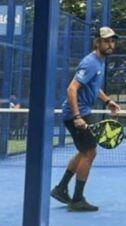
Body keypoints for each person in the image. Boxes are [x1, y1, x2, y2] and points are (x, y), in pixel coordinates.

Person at [51, 26, 121, 212]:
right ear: (97, 42)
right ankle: (77, 199)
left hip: (83, 111)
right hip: (77, 114)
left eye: (112, 41)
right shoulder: (90, 62)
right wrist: (77, 117)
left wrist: (108, 102)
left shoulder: (100, 62)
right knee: (89, 152)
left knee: (85, 151)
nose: (110, 44)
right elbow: (72, 89)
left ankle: (60, 189)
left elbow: (93, 87)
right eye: (106, 41)